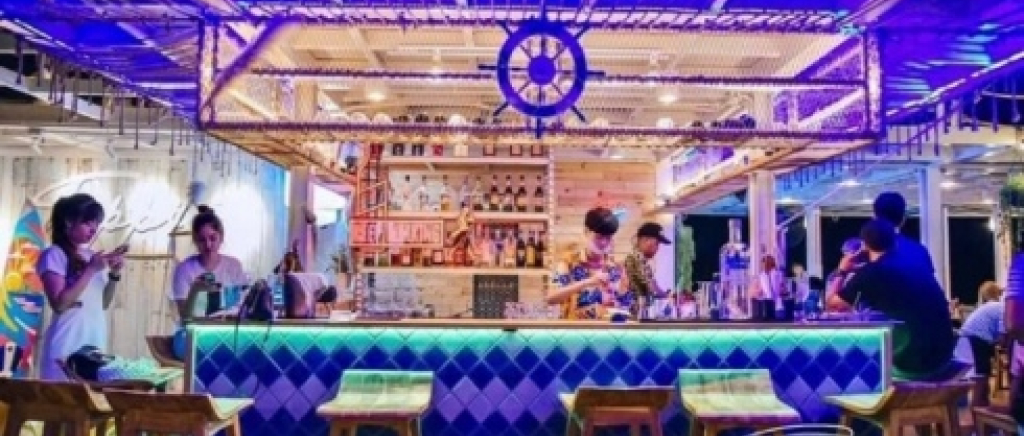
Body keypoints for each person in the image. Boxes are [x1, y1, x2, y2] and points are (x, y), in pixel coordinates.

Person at [826, 219, 956, 381]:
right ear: (894, 242)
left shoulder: (871, 273)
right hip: (945, 358)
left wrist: (842, 271)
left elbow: (832, 304)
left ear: (864, 246)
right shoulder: (916, 266)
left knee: (851, 364)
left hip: (913, 365)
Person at [36, 193, 125, 380]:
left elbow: (103, 303)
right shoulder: (54, 254)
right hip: (65, 346)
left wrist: (114, 274)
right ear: (69, 221)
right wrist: (91, 269)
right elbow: (59, 304)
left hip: (93, 344)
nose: (94, 229)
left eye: (96, 224)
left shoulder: (91, 256)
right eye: (88, 223)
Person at [170, 206, 247, 358]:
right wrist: (196, 290)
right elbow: (185, 318)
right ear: (195, 241)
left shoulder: (233, 266)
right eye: (202, 240)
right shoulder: (184, 269)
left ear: (221, 237)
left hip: (227, 331)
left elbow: (243, 305)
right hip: (192, 335)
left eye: (213, 238)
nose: (208, 245)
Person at [545, 207, 630, 320]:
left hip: (608, 330)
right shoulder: (569, 263)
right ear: (586, 232)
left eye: (608, 238)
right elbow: (550, 298)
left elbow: (625, 306)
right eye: (599, 237)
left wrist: (624, 287)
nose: (603, 242)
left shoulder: (614, 268)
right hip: (576, 329)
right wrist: (588, 282)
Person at [955, 282, 1005, 406]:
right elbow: (1003, 337)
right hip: (976, 340)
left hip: (966, 339)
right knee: (981, 378)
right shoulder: (1001, 308)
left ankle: (981, 407)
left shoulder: (987, 307)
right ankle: (977, 409)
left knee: (980, 375)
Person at [873, 191, 935, 274]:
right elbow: (928, 280)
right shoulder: (919, 252)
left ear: (874, 217)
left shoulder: (860, 251)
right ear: (903, 219)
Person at [623, 222, 671, 316]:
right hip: (633, 315)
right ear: (643, 240)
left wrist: (665, 295)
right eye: (656, 243)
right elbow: (651, 287)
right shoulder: (635, 259)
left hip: (638, 314)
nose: (657, 248)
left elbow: (653, 285)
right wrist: (665, 297)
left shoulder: (642, 261)